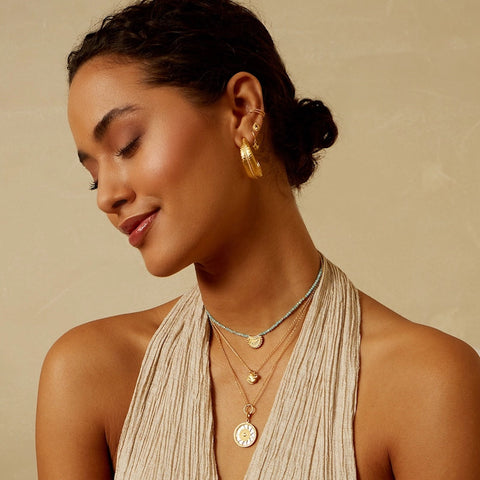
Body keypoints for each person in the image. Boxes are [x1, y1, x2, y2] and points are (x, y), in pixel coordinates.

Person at [36, 0, 480, 478]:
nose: (106, 196)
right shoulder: (87, 376)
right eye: (92, 174)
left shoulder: (427, 383)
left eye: (127, 144)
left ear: (242, 108)